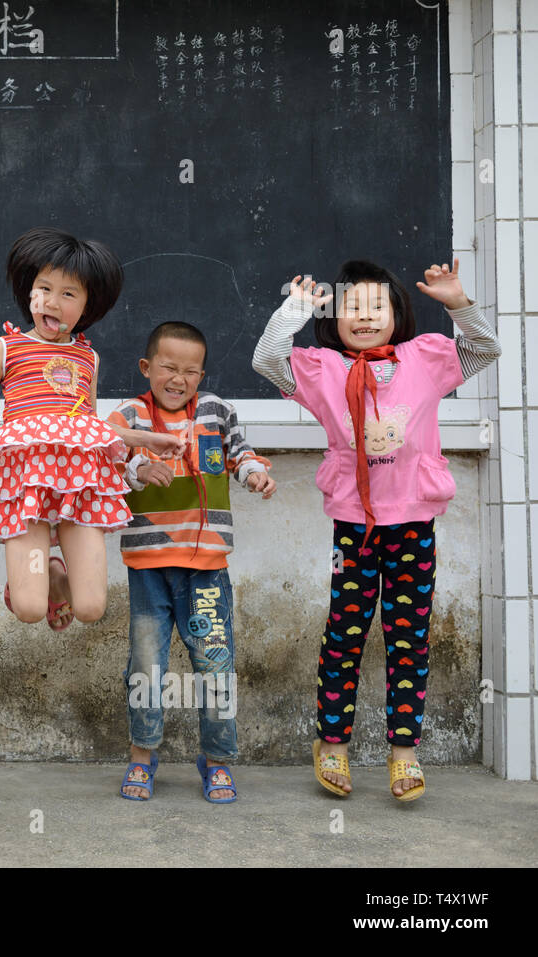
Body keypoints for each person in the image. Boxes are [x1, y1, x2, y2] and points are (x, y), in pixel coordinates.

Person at [252, 259, 500, 801]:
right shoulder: (322, 369)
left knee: (408, 639)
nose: (364, 317)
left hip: (412, 525)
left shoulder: (426, 357)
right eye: (352, 308)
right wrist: (291, 312)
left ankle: (404, 753)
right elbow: (267, 360)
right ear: (334, 318)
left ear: (397, 314)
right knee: (345, 636)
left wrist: (458, 302)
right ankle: (333, 744)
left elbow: (485, 350)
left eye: (376, 306)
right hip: (353, 528)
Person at [0, 227, 182, 630]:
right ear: (29, 292)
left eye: (69, 294)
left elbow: (88, 428)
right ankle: (49, 576)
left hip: (82, 485)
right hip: (27, 485)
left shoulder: (89, 356)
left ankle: (58, 576)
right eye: (44, 288)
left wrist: (143, 439)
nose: (52, 301)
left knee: (90, 609)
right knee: (30, 609)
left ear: (89, 304)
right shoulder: (8, 348)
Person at [107, 322, 275, 802]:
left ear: (201, 376)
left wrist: (255, 474)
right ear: (147, 367)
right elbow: (113, 458)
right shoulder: (130, 415)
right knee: (146, 667)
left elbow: (240, 455)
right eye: (168, 367)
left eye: (190, 371)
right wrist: (140, 466)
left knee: (216, 665)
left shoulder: (217, 411)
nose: (178, 379)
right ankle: (143, 756)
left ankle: (217, 760)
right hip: (148, 567)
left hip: (206, 567)